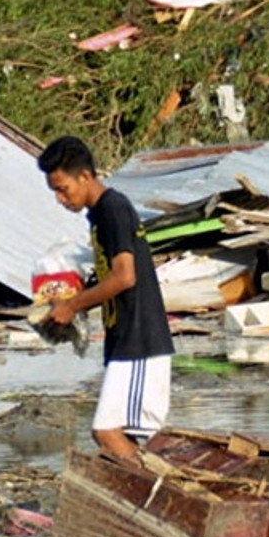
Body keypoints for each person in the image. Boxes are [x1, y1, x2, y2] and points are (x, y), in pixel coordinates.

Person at [38, 137, 174, 467]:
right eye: (54, 191)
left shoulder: (113, 209)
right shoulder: (99, 215)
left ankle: (156, 501)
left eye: (63, 189)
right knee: (117, 435)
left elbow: (125, 277)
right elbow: (112, 278)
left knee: (107, 432)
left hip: (141, 340)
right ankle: (150, 498)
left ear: (85, 176)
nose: (60, 199)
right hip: (125, 339)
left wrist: (73, 306)